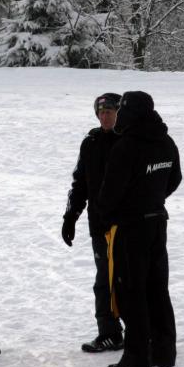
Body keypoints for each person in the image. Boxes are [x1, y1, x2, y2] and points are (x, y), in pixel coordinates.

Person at [97, 91, 182, 367]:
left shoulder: (127, 146)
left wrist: (106, 217)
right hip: (158, 222)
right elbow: (175, 178)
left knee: (132, 291)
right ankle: (164, 352)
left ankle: (137, 358)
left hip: (131, 227)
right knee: (158, 288)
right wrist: (154, 196)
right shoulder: (166, 141)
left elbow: (111, 192)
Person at [62, 93, 124, 353]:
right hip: (99, 225)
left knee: (129, 278)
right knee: (104, 281)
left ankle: (142, 329)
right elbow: (80, 184)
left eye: (110, 111)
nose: (105, 116)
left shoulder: (129, 141)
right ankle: (108, 332)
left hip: (127, 224)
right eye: (101, 112)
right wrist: (70, 217)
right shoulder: (90, 143)